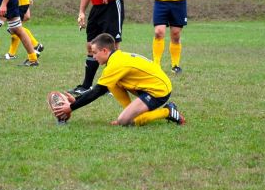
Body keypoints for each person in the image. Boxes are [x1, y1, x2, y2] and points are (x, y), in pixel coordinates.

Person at [53, 33, 185, 126]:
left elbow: (97, 92)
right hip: (149, 86)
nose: (93, 57)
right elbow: (102, 87)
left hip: (159, 90)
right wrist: (75, 101)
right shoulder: (115, 59)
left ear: (104, 50)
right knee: (112, 84)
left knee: (125, 121)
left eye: (94, 52)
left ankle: (168, 111)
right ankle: (130, 112)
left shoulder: (116, 64)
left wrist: (71, 107)